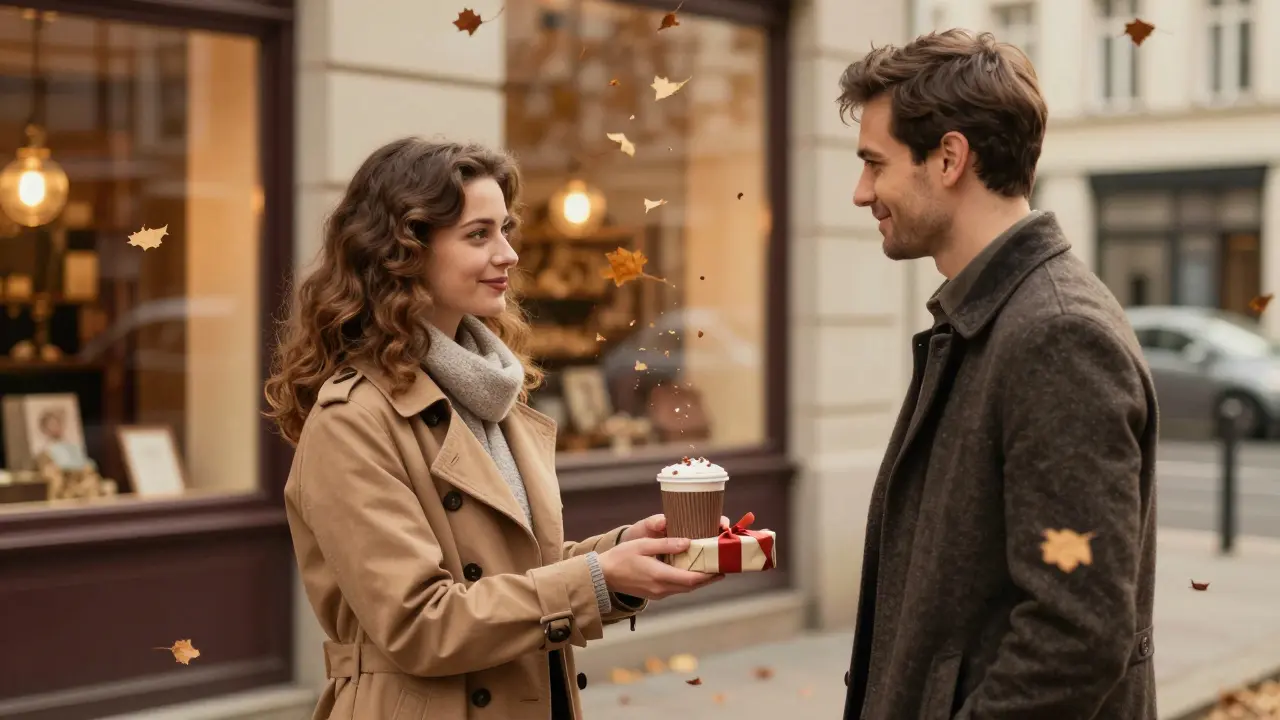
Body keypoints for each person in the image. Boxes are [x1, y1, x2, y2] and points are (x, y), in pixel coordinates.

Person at [264, 138, 724, 720]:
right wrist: (596, 578)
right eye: (478, 235)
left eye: (505, 229)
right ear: (403, 251)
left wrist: (624, 557)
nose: (507, 253)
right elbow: (420, 624)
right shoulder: (353, 419)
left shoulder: (493, 392)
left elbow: (518, 578)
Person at [835, 30, 1158, 720]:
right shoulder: (991, 316)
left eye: (874, 164)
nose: (861, 193)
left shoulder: (1056, 334)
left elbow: (1078, 632)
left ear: (949, 157)